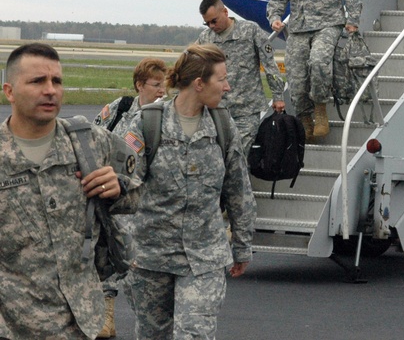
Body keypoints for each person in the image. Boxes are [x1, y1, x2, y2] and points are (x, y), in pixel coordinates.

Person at [1, 43, 139, 340]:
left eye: (57, 81)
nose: (50, 90)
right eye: (37, 81)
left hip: (80, 321)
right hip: (11, 324)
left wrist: (118, 188)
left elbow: (140, 195)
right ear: (9, 91)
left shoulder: (92, 144)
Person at [125, 45, 255, 340]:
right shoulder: (147, 123)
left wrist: (243, 245)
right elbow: (124, 190)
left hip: (204, 256)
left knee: (194, 333)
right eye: (221, 79)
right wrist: (124, 247)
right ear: (199, 83)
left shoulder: (223, 125)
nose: (227, 86)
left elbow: (239, 188)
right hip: (150, 257)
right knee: (152, 334)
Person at [267, 0, 362, 139]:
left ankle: (320, 109)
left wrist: (353, 20)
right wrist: (274, 17)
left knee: (318, 62)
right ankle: (304, 118)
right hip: (299, 27)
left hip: (329, 23)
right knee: (296, 77)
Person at [92, 56, 168, 338]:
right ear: (139, 85)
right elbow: (93, 135)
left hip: (144, 197)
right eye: (155, 84)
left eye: (165, 85)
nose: (162, 91)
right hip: (112, 193)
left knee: (136, 263)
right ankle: (106, 316)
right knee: (105, 252)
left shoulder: (165, 117)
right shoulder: (119, 108)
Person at [198, 0, 286, 151]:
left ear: (225, 12)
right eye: (207, 23)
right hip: (216, 109)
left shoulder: (250, 31)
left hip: (246, 110)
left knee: (237, 153)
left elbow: (269, 65)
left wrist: (278, 97)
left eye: (214, 21)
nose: (211, 26)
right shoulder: (205, 38)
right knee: (216, 155)